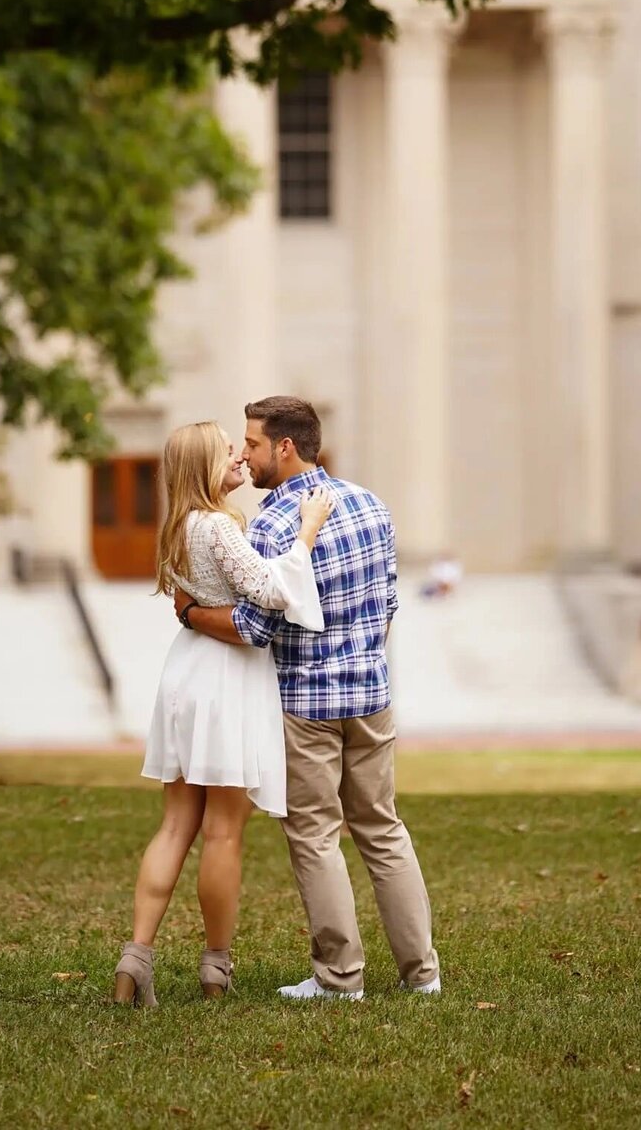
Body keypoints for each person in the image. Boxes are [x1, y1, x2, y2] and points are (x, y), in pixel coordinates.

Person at [174, 395, 440, 1002]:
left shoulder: (269, 525)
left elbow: (255, 627)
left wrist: (190, 613)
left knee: (317, 835)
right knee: (383, 829)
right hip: (372, 695)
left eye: (252, 444)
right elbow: (390, 605)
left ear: (284, 448)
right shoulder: (371, 505)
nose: (245, 454)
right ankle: (422, 974)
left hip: (305, 703)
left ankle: (341, 979)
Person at [113, 420, 335, 1009]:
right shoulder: (216, 526)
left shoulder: (177, 528)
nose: (239, 456)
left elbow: (196, 601)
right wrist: (307, 533)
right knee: (223, 831)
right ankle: (216, 969)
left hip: (185, 675)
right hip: (225, 681)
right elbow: (269, 589)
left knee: (173, 826)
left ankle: (134, 960)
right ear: (204, 468)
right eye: (226, 452)